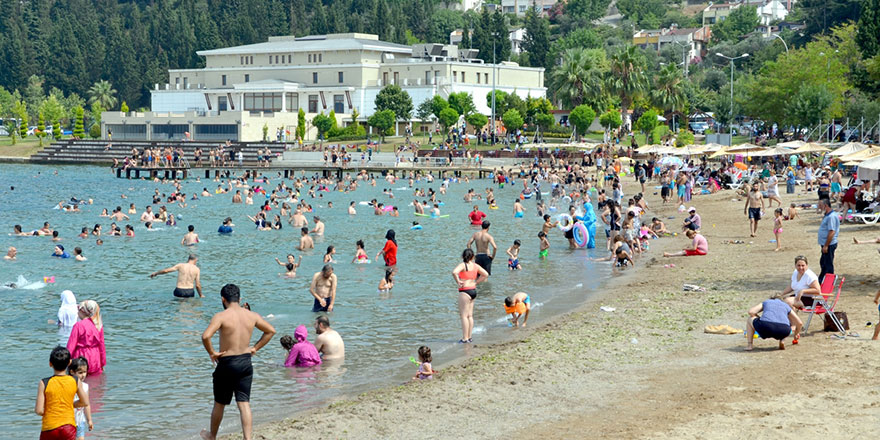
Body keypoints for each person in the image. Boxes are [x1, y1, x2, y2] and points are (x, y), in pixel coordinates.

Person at [200, 284, 276, 440]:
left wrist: (212, 353)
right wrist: (255, 348)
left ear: (223, 299)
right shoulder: (252, 315)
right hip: (245, 362)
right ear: (239, 298)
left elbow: (205, 336)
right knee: (244, 402)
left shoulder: (221, 316)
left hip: (227, 363)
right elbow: (270, 331)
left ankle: (212, 436)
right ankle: (247, 438)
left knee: (219, 403)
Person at [35, 346, 90, 440]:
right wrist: (70, 405)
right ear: (69, 363)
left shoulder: (44, 382)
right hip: (68, 426)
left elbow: (39, 410)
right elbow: (85, 402)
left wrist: (52, 411)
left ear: (50, 364)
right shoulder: (75, 380)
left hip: (49, 427)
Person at [452, 248, 489, 343]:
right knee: (470, 315)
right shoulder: (475, 265)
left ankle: (465, 338)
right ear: (472, 257)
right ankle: (469, 337)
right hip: (473, 290)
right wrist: (476, 282)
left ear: (463, 256)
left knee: (464, 316)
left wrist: (458, 281)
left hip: (465, 291)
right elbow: (485, 274)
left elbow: (454, 272)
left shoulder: (463, 265)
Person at [66, 300, 105, 376]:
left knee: (80, 380)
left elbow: (71, 347)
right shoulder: (98, 325)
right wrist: (102, 363)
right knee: (95, 382)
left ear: (82, 311)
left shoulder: (78, 325)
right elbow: (102, 346)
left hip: (81, 356)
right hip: (95, 357)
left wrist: (66, 362)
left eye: (78, 309)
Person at [68, 357, 93, 440]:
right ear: (72, 372)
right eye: (80, 372)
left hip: (80, 420)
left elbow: (87, 404)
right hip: (68, 421)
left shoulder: (85, 386)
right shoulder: (68, 386)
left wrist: (89, 420)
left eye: (85, 372)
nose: (83, 375)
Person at [817, 198, 839, 282]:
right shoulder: (827, 215)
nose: (819, 207)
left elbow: (832, 231)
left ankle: (828, 281)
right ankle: (822, 280)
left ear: (825, 206)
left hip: (829, 244)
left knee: (827, 264)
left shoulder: (831, 217)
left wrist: (826, 245)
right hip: (825, 243)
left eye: (820, 205)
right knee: (823, 262)